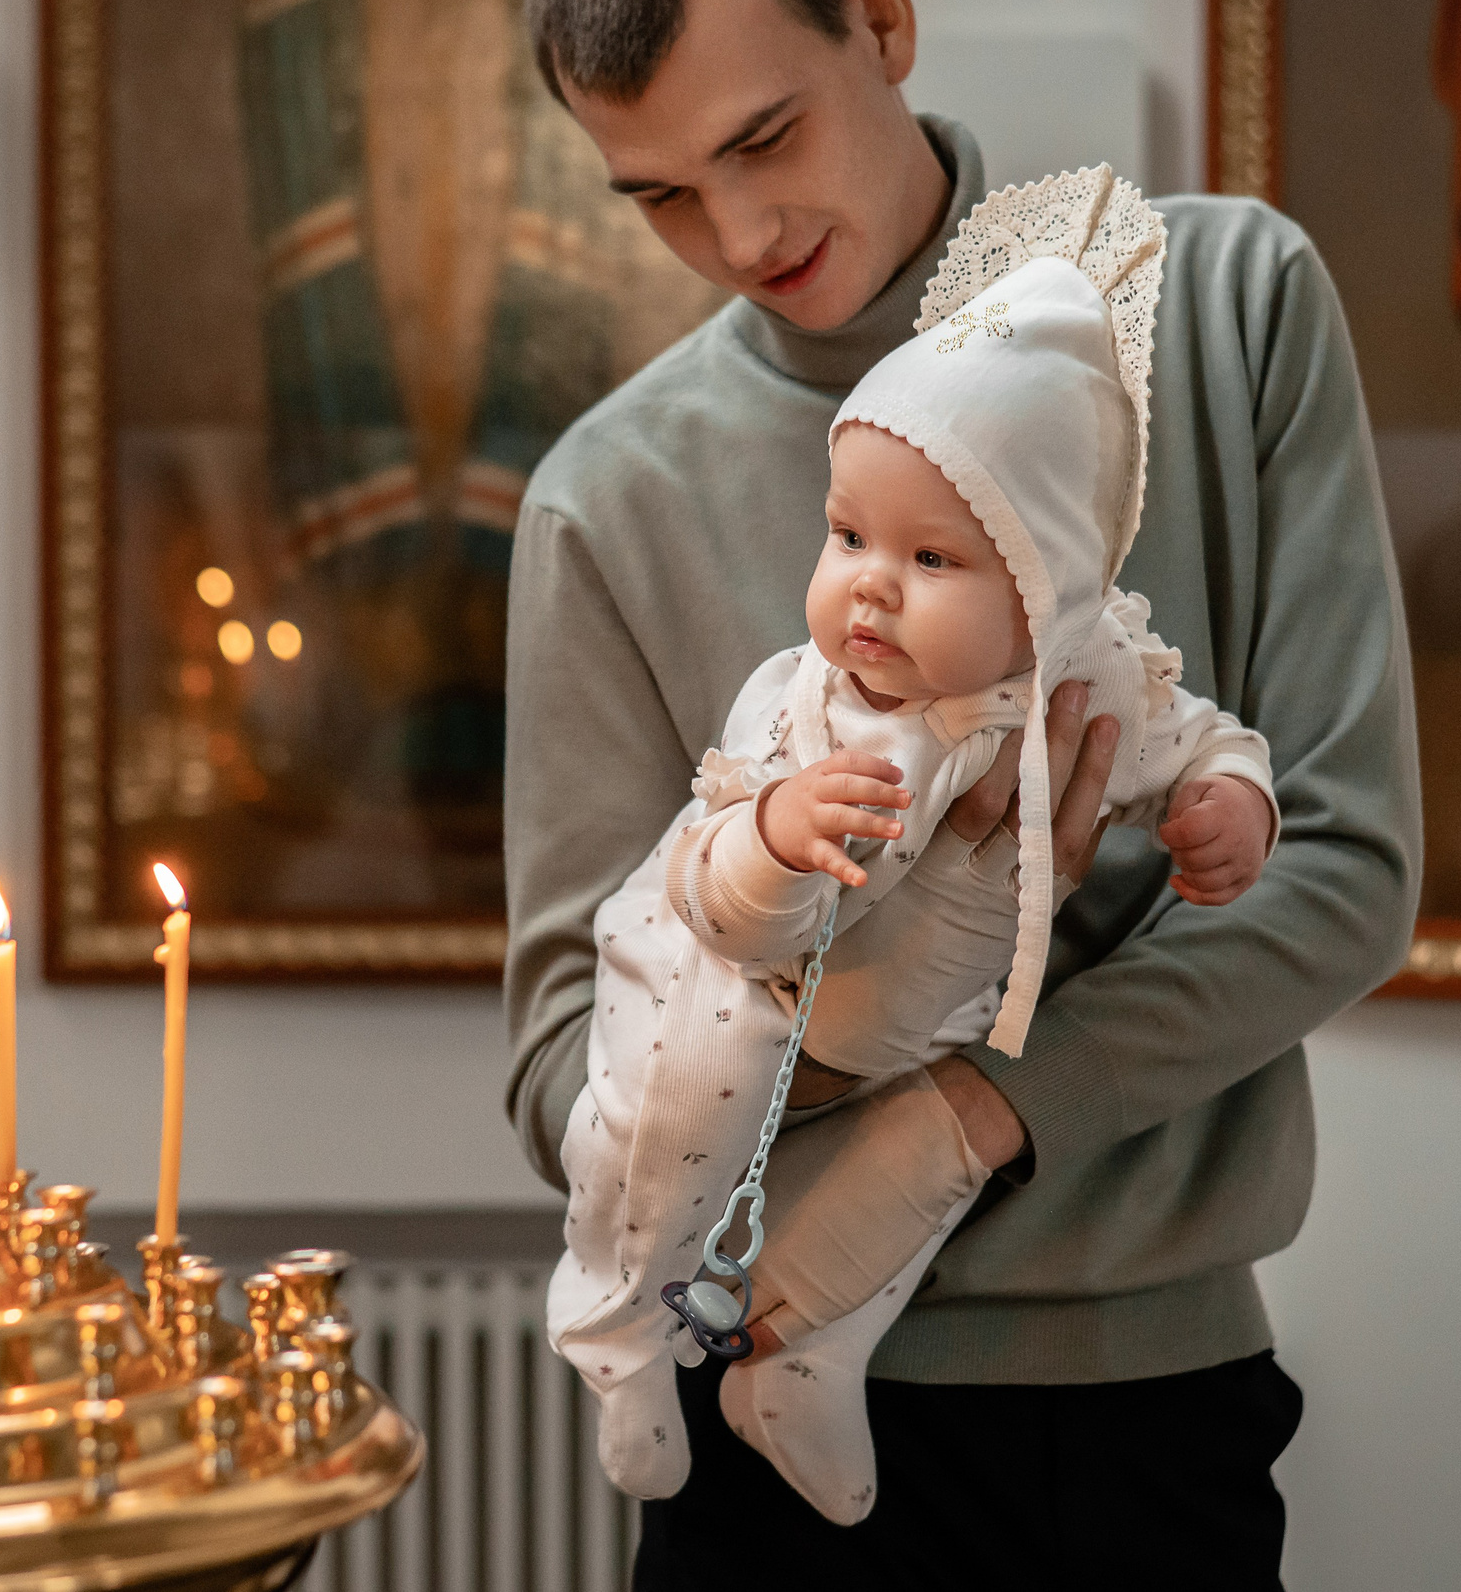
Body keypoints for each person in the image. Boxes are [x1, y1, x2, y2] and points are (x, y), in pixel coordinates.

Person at [504, 0, 1422, 1582]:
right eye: (661, 199)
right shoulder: (601, 501)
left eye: (765, 135)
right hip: (749, 1432)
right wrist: (855, 986)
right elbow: (572, 1065)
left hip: (1144, 1404)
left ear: (879, 17)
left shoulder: (1224, 304)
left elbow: (1348, 865)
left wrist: (975, 1112)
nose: (740, 230)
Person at [550, 195, 1285, 1529]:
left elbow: (1203, 738)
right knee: (694, 1113)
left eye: (930, 555)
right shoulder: (814, 702)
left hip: (945, 1024)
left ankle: (807, 1367)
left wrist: (1233, 805)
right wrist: (780, 841)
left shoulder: (1094, 668)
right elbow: (712, 891)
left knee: (911, 1199)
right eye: (847, 537)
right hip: (720, 976)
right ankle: (619, 1318)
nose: (867, 589)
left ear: (1045, 584)